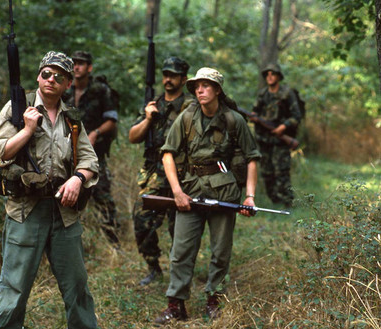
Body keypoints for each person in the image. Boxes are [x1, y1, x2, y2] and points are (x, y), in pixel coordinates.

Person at [0, 51, 99, 329]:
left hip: (64, 213)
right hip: (26, 212)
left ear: (68, 84)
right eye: (46, 73)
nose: (51, 79)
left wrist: (78, 179)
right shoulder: (16, 109)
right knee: (14, 288)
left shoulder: (71, 117)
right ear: (38, 76)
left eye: (59, 76)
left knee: (77, 287)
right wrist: (25, 130)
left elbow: (90, 159)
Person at [154, 67, 261, 324]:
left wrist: (249, 197)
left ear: (217, 90)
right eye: (197, 86)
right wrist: (177, 192)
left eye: (205, 85)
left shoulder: (234, 120)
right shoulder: (187, 118)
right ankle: (176, 305)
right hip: (190, 192)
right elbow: (167, 153)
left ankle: (214, 301)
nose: (200, 90)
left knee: (221, 251)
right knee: (180, 250)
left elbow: (252, 158)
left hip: (224, 193)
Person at [128, 56, 194, 286]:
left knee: (180, 230)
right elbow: (133, 136)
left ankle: (181, 273)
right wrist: (148, 119)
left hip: (182, 175)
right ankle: (154, 268)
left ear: (183, 79)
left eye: (174, 75)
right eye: (166, 74)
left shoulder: (191, 107)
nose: (168, 79)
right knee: (142, 221)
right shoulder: (153, 104)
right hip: (154, 176)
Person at [63, 50, 120, 245]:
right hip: (67, 152)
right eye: (74, 63)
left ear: (89, 67)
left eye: (81, 63)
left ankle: (112, 242)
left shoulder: (100, 90)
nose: (77, 66)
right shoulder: (65, 90)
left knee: (102, 194)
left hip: (95, 154)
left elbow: (112, 120)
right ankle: (70, 240)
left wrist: (95, 133)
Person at [250, 63, 301, 208]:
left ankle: (288, 202)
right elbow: (255, 112)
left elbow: (296, 116)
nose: (269, 77)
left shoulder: (287, 93)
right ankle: (275, 202)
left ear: (278, 76)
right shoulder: (262, 94)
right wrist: (254, 117)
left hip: (280, 140)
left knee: (282, 172)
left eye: (273, 74)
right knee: (267, 173)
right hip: (264, 140)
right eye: (267, 74)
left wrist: (282, 127)